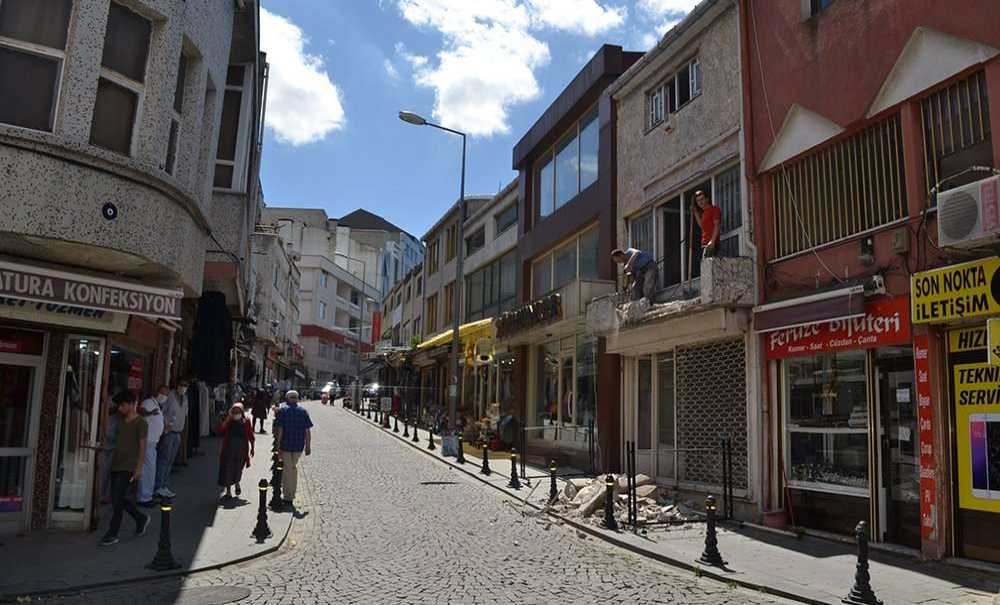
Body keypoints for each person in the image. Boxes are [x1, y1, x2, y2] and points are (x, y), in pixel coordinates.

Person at [100, 390, 150, 546]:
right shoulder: (119, 420)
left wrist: (139, 468)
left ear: (131, 404)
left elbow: (143, 448)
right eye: (119, 406)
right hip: (116, 463)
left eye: (122, 405)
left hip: (129, 466)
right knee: (119, 498)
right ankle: (140, 518)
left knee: (117, 498)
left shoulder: (141, 423)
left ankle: (112, 532)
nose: (120, 408)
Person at [273, 390, 312, 508]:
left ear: (287, 398)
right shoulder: (303, 411)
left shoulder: (283, 411)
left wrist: (277, 446)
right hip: (298, 445)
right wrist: (308, 445)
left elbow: (280, 430)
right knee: (292, 468)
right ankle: (291, 493)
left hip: (286, 445)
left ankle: (288, 497)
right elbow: (307, 431)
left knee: (287, 469)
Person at [154, 379, 188, 499]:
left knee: (170, 461)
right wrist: (165, 426)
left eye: (185, 385)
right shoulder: (170, 396)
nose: (183, 387)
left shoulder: (185, 398)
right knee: (163, 460)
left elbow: (185, 415)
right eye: (181, 385)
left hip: (178, 433)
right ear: (177, 385)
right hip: (169, 432)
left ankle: (164, 485)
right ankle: (158, 486)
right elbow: (161, 412)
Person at [136, 386, 167, 507]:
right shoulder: (148, 402)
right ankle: (144, 497)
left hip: (153, 441)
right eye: (163, 393)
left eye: (166, 394)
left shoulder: (157, 405)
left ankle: (148, 494)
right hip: (147, 441)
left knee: (150, 469)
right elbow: (140, 411)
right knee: (147, 469)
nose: (164, 396)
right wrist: (150, 413)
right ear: (157, 392)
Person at [217, 403, 255, 501]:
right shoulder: (229, 421)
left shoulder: (246, 421)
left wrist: (252, 448)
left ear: (242, 412)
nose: (236, 413)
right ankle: (228, 492)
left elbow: (250, 435)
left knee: (238, 468)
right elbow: (221, 430)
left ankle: (237, 483)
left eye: (238, 411)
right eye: (234, 411)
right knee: (228, 468)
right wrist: (228, 419)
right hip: (229, 448)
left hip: (241, 449)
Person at [691, 189, 722, 258]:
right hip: (704, 244)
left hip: (711, 244)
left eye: (702, 199)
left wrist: (712, 241)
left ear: (707, 199)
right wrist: (695, 213)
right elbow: (702, 226)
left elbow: (717, 225)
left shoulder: (714, 209)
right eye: (698, 201)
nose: (700, 202)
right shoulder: (704, 213)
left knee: (709, 263)